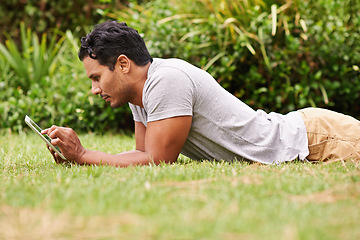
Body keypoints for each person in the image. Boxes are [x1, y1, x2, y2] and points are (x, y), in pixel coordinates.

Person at [42, 20, 360, 167]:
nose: (94, 89)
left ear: (123, 64)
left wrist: (84, 155)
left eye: (97, 78)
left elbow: (157, 160)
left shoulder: (166, 80)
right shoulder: (140, 94)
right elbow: (142, 155)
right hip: (307, 134)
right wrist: (80, 158)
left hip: (317, 138)